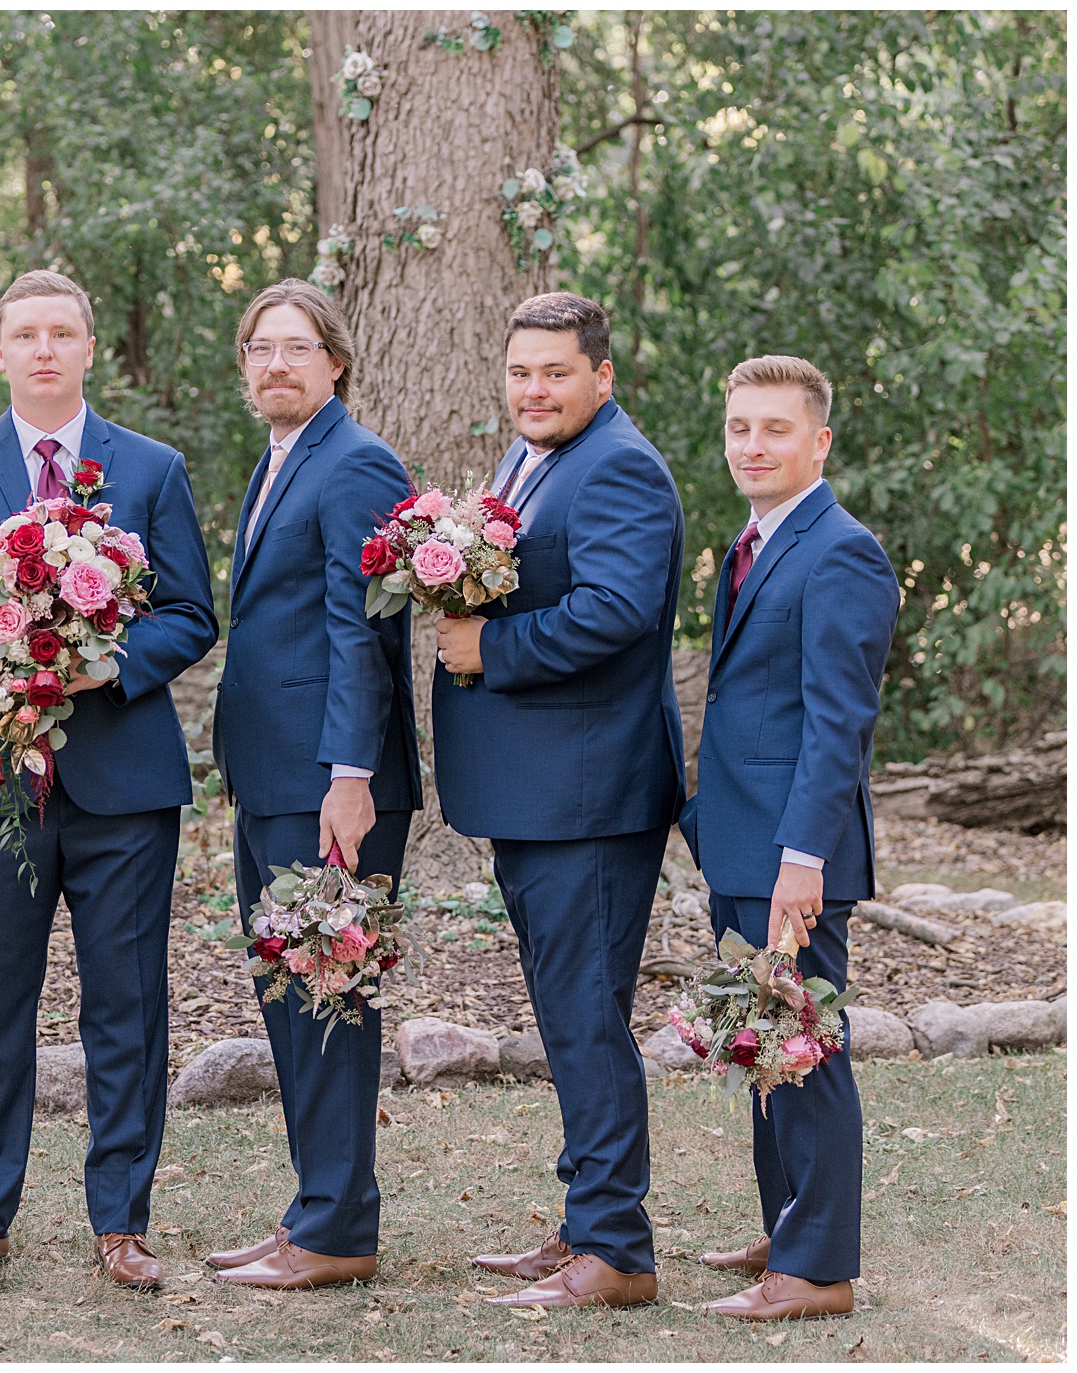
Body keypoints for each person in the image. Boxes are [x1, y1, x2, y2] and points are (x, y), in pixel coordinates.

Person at [0, 269, 219, 1288]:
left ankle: (120, 1219)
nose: (42, 348)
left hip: (123, 776)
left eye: (60, 332)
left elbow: (192, 612)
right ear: (0, 349)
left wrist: (107, 663)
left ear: (86, 349)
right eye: (23, 332)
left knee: (126, 1002)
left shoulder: (150, 469)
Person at [433, 292, 685, 1310]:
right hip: (542, 792)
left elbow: (616, 611)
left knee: (584, 1021)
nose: (533, 390)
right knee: (575, 1015)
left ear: (601, 376)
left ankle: (615, 1251)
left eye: (554, 372)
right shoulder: (531, 459)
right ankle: (586, 1220)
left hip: (589, 794)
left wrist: (485, 646)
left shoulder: (617, 465)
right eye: (520, 372)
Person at [205, 281, 421, 1290]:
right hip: (271, 777)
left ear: (335, 360)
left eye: (296, 347)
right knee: (292, 998)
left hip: (328, 789)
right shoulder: (281, 459)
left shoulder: (355, 461)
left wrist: (348, 775)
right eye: (260, 348)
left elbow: (358, 631)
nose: (276, 364)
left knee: (329, 997)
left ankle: (335, 1231)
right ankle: (314, 1211)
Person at [680, 355, 896, 1321]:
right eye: (739, 428)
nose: (753, 446)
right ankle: (789, 1226)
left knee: (810, 1046)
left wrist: (800, 858)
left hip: (792, 852)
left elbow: (836, 719)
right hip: (742, 836)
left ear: (821, 440)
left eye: (774, 429)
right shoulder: (753, 541)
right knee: (766, 1038)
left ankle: (818, 1271)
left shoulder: (842, 549)